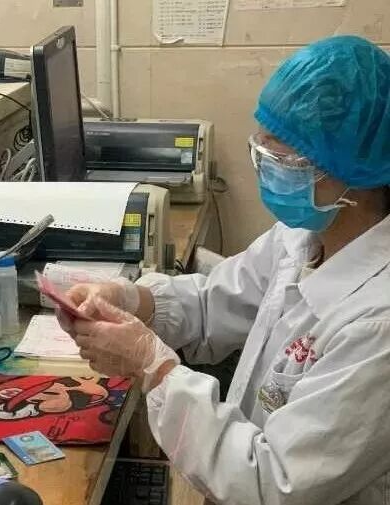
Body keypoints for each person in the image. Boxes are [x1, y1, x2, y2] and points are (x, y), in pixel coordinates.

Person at [57, 35, 390, 505]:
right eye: (262, 146)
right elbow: (215, 304)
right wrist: (132, 299)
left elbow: (273, 483)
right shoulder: (303, 236)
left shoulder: (377, 324)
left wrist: (153, 367)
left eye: (284, 158)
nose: (266, 167)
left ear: (357, 170)